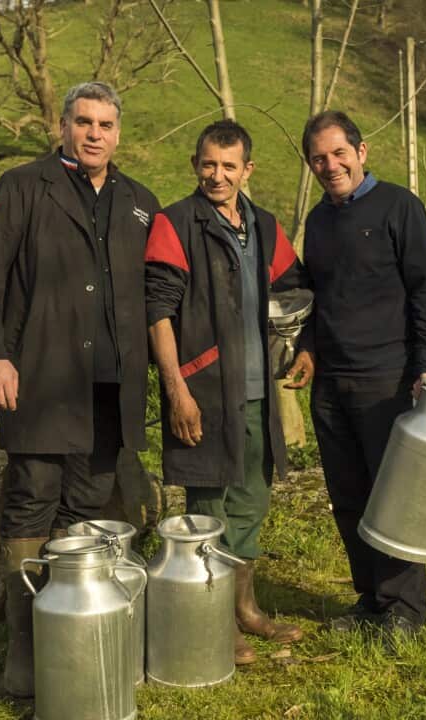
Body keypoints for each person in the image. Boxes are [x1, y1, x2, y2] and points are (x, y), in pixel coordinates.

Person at [0, 81, 160, 697]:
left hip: (110, 384)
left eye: (105, 124)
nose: (94, 133)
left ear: (118, 133)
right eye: (83, 122)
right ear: (64, 126)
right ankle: (25, 652)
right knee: (31, 497)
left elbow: (162, 292)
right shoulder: (22, 187)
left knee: (90, 502)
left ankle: (73, 640)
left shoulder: (140, 203)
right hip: (40, 376)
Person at [145, 120, 308, 665]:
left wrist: (300, 348)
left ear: (247, 170)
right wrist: (177, 392)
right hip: (205, 391)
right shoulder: (174, 224)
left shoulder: (264, 226)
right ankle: (214, 621)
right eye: (208, 164)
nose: (217, 175)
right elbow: (158, 313)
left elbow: (295, 289)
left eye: (229, 166)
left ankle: (244, 609)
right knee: (208, 507)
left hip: (260, 392)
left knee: (251, 500)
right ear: (195, 165)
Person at [285, 110, 426, 647]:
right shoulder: (318, 222)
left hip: (388, 379)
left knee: (392, 497)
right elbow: (317, 298)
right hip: (332, 382)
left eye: (338, 153)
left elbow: (425, 292)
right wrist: (309, 350)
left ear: (361, 151)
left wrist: (425, 367)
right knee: (349, 495)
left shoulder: (400, 207)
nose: (330, 166)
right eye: (319, 159)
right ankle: (371, 598)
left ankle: (405, 609)